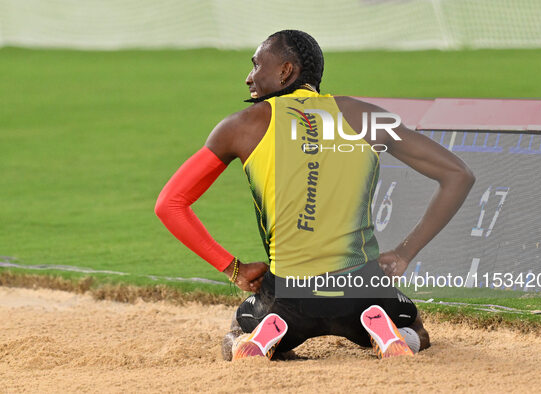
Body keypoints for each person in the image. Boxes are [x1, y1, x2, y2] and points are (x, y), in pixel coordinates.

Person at [155, 30, 475, 361]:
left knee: (236, 332)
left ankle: (262, 336)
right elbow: (458, 175)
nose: (248, 77)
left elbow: (170, 204)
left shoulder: (241, 126)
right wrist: (404, 253)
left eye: (255, 65)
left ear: (285, 71)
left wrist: (234, 269)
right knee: (417, 331)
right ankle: (386, 331)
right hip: (362, 291)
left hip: (288, 294)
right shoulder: (366, 116)